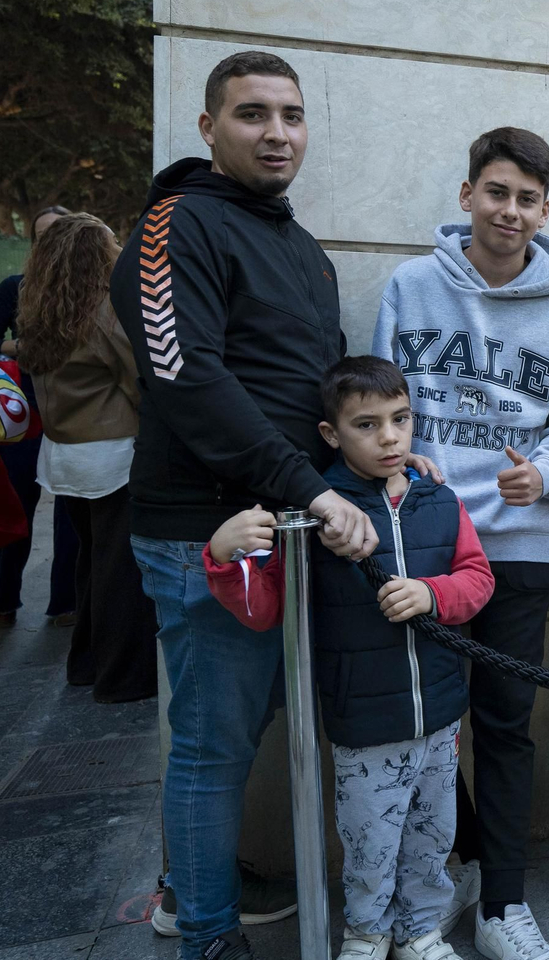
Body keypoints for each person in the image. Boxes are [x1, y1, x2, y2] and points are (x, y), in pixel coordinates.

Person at [109, 50, 397, 960]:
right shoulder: (174, 225)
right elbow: (188, 379)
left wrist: (372, 469)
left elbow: (326, 392)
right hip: (208, 531)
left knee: (243, 726)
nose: (277, 133)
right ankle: (203, 930)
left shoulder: (302, 248)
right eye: (252, 114)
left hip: (292, 533)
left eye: (292, 115)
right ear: (208, 127)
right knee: (213, 745)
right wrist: (311, 487)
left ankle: (198, 882)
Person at [374, 125, 549, 960]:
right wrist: (399, 464)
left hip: (517, 546)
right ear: (468, 195)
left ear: (545, 210)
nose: (510, 210)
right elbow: (378, 399)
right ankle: (448, 875)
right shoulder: (411, 286)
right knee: (418, 728)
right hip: (424, 541)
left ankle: (503, 903)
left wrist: (545, 471)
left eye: (527, 199)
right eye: (497, 192)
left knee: (506, 726)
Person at [205, 357, 494, 960]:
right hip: (363, 722)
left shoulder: (440, 500)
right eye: (367, 425)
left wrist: (433, 594)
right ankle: (366, 932)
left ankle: (421, 931)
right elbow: (267, 609)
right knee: (369, 842)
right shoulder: (315, 515)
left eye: (400, 419)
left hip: (440, 715)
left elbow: (478, 578)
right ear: (331, 434)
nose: (390, 437)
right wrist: (224, 557)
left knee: (432, 835)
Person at [17, 213, 156, 701]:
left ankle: (86, 664)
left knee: (92, 563)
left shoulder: (39, 309)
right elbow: (139, 382)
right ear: (94, 254)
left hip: (64, 457)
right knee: (122, 572)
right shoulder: (104, 308)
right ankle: (122, 679)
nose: (119, 248)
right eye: (112, 242)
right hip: (112, 456)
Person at [0, 204, 78, 627]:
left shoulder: (93, 288)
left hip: (76, 414)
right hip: (24, 418)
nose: (52, 241)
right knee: (17, 507)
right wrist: (23, 348)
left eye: (61, 231)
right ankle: (3, 598)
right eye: (43, 235)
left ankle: (66, 604)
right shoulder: (15, 287)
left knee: (72, 515)